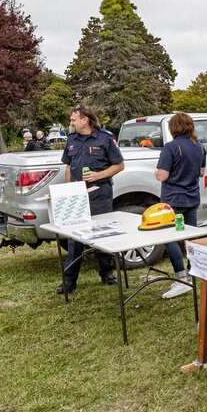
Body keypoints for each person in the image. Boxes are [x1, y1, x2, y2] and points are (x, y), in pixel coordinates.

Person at [58, 105, 125, 294]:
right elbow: (69, 167)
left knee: (103, 234)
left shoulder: (104, 138)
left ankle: (107, 274)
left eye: (73, 120)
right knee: (74, 239)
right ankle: (69, 281)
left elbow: (119, 165)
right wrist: (69, 190)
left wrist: (99, 175)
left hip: (100, 193)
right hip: (78, 195)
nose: (71, 123)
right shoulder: (71, 139)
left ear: (85, 119)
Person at [155, 112, 206, 299]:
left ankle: (181, 276)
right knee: (190, 237)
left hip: (173, 199)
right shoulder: (199, 147)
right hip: (192, 197)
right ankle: (193, 273)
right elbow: (201, 172)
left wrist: (156, 173)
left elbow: (162, 175)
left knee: (168, 236)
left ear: (173, 128)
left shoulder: (171, 147)